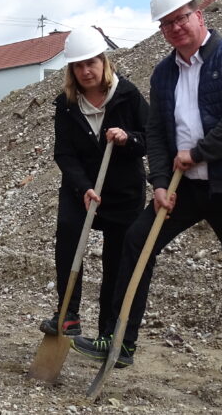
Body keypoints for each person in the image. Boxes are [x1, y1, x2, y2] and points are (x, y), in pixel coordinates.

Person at [70, 0, 222, 400]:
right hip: (184, 191)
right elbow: (158, 134)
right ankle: (122, 343)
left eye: (181, 17)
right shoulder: (164, 73)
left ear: (199, 14)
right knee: (136, 241)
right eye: (167, 23)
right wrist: (161, 183)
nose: (176, 27)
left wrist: (199, 153)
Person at [40, 27, 148, 340]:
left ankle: (107, 331)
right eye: (78, 65)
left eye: (91, 63)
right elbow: (64, 153)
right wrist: (83, 187)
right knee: (68, 241)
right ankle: (68, 313)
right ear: (72, 70)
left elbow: (152, 139)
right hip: (81, 190)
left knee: (116, 261)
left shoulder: (128, 96)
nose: (86, 71)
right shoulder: (66, 104)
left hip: (123, 194)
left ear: (104, 62)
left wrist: (129, 138)